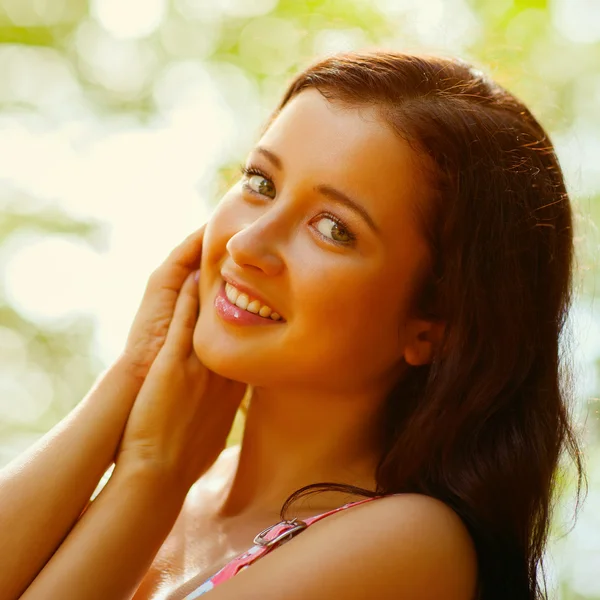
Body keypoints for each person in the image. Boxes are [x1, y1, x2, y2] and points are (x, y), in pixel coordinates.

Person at [0, 50, 586, 600]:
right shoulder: (186, 483)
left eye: (333, 228)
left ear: (434, 326)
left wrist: (153, 478)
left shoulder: (405, 543)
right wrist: (131, 377)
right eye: (261, 183)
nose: (248, 243)